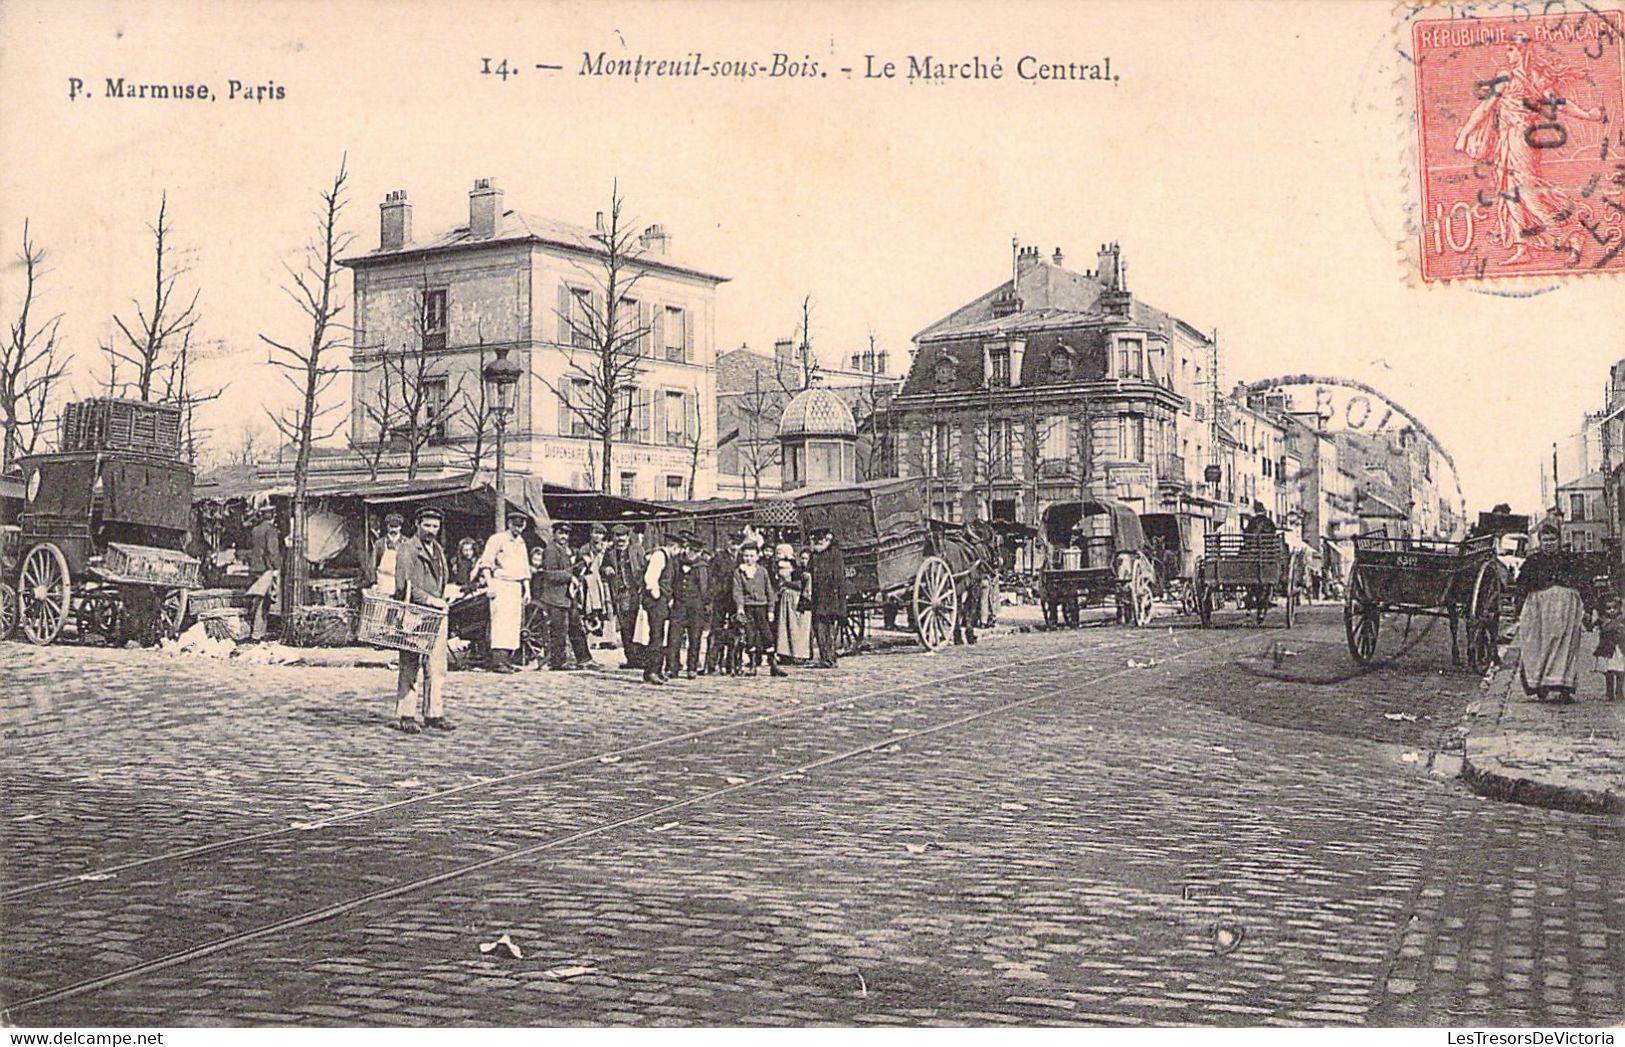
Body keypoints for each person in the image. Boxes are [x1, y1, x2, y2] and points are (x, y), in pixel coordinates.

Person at [1515, 523, 1591, 704]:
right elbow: (1521, 586)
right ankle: (1540, 684)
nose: (1549, 543)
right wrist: (1519, 607)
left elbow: (1583, 583)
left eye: (1553, 539)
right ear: (1540, 542)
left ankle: (1564, 688)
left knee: (1566, 645)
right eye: (1545, 540)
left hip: (1567, 608)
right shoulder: (1532, 562)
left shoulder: (1569, 560)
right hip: (1539, 610)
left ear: (1559, 541)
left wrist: (1589, 606)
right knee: (1539, 644)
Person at [394, 505, 453, 734]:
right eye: (427, 525)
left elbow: (441, 579)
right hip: (414, 614)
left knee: (437, 666)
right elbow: (404, 586)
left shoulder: (437, 550)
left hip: (437, 613)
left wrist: (444, 596)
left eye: (435, 526)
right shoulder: (407, 549)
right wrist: (429, 599)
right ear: (417, 525)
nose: (431, 530)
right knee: (410, 664)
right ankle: (406, 714)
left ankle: (434, 713)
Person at [476, 511, 532, 673]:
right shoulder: (497, 539)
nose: (518, 528)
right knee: (500, 622)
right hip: (500, 583)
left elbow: (525, 568)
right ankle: (498, 661)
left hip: (516, 586)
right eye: (515, 524)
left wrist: (527, 590)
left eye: (521, 525)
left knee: (513, 624)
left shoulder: (521, 543)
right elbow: (486, 563)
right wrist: (490, 585)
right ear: (509, 524)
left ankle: (507, 660)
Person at [734, 540, 786, 677]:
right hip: (748, 608)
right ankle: (752, 665)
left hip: (761, 608)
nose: (748, 559)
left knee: (767, 635)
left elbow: (769, 590)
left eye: (751, 556)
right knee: (750, 635)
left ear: (757, 556)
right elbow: (737, 591)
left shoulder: (762, 571)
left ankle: (773, 665)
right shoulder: (739, 572)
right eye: (746, 556)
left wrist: (770, 609)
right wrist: (740, 608)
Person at [665, 532, 711, 679]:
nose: (693, 554)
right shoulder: (676, 562)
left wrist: (704, 605)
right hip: (679, 605)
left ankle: (692, 668)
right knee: (674, 637)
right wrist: (670, 597)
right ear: (687, 548)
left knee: (695, 637)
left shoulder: (702, 566)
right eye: (691, 550)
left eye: (697, 552)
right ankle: (672, 667)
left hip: (695, 607)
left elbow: (705, 588)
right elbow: (670, 580)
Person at [602, 525, 647, 669]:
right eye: (617, 536)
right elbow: (602, 568)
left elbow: (644, 567)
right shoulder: (610, 553)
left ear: (628, 537)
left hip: (635, 592)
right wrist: (606, 569)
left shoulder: (637, 550)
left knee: (638, 627)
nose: (620, 539)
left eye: (623, 536)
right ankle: (631, 659)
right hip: (620, 594)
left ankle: (640, 658)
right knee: (625, 627)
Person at [639, 532, 682, 684]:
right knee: (656, 636)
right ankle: (651, 670)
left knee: (660, 636)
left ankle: (656, 669)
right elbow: (650, 577)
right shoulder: (660, 556)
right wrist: (656, 594)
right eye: (679, 549)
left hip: (663, 601)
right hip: (656, 601)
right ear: (674, 547)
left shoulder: (668, 558)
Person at [538, 521, 576, 671]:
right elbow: (550, 574)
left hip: (563, 597)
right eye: (561, 533)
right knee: (558, 630)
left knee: (562, 630)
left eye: (566, 534)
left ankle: (559, 660)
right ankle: (557, 662)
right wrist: (569, 576)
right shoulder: (551, 550)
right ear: (554, 534)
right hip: (554, 597)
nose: (564, 536)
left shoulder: (564, 550)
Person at [807, 527, 848, 668]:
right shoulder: (815, 555)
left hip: (830, 597)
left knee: (828, 628)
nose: (818, 542)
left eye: (820, 539)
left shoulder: (834, 554)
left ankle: (829, 658)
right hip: (817, 597)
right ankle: (826, 657)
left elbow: (839, 578)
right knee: (819, 628)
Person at [704, 533, 743, 675]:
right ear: (728, 543)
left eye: (737, 544)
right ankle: (712, 665)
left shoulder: (742, 559)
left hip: (735, 599)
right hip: (720, 598)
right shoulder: (719, 558)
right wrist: (713, 592)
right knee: (717, 631)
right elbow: (710, 576)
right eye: (732, 543)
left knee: (736, 633)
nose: (735, 547)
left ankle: (732, 666)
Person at [245, 506, 283, 640]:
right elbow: (272, 551)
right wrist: (277, 567)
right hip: (266, 569)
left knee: (257, 599)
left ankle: (256, 629)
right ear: (272, 515)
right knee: (264, 601)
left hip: (255, 567)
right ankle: (257, 632)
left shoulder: (255, 530)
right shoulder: (271, 530)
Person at [775, 547, 812, 663]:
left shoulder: (810, 572)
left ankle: (800, 654)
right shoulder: (795, 570)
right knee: (788, 627)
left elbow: (803, 586)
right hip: (790, 600)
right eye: (802, 558)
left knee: (800, 628)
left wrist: (787, 583)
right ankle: (787, 653)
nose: (803, 561)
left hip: (803, 600)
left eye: (806, 558)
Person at [1590, 593, 1625, 702]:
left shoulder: (1622, 619)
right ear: (1603, 609)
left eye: (1615, 608)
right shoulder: (1601, 620)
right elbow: (1590, 627)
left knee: (1621, 671)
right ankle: (1609, 692)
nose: (1612, 610)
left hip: (1620, 649)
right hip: (1607, 649)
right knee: (1608, 672)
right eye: (1608, 608)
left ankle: (1619, 691)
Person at [371, 512, 407, 595]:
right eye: (391, 526)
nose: (393, 530)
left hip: (401, 583)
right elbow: (373, 565)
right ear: (387, 527)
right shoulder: (379, 543)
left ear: (400, 527)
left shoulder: (407, 543)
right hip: (384, 582)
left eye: (396, 527)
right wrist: (373, 583)